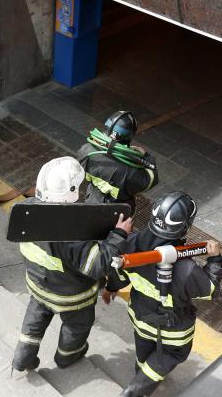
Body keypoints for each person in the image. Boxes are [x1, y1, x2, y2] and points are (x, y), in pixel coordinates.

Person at [12, 156, 132, 372]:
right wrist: (118, 235)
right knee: (77, 327)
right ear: (72, 191)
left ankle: (22, 357)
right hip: (71, 297)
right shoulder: (72, 233)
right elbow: (98, 264)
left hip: (38, 285)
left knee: (34, 320)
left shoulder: (26, 211)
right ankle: (67, 357)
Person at [109, 191, 222, 397]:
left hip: (141, 317)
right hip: (174, 328)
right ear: (185, 227)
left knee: (144, 349)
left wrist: (111, 288)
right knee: (173, 354)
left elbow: (120, 274)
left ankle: (140, 379)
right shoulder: (187, 270)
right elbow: (210, 289)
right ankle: (137, 386)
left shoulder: (131, 245)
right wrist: (215, 259)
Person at [78, 110, 158, 213]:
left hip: (91, 201)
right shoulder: (130, 170)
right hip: (119, 212)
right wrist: (145, 156)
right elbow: (149, 180)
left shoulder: (86, 150)